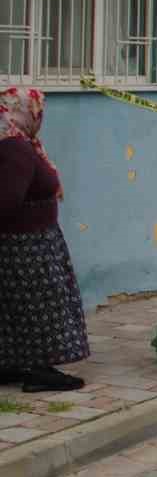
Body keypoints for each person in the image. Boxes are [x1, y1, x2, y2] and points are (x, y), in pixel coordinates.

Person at [0, 88, 90, 393]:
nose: (40, 117)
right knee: (40, 306)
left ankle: (11, 364)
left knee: (16, 306)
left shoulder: (18, 144)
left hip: (28, 240)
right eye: (38, 110)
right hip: (26, 245)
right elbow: (8, 199)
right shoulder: (15, 148)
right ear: (25, 112)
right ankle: (40, 371)